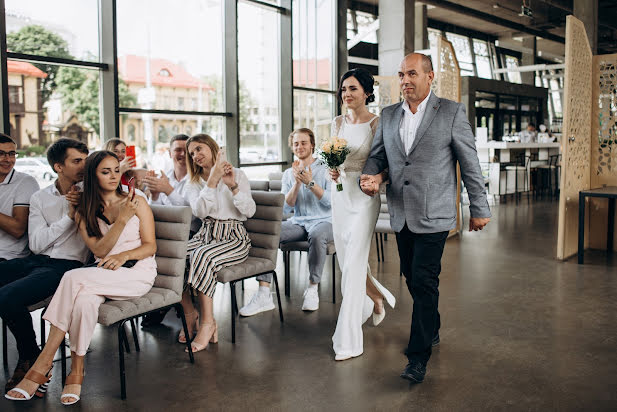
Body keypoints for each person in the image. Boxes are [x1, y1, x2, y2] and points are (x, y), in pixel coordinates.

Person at [360, 53, 491, 383]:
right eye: (401, 74)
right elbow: (377, 158)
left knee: (423, 278)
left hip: (435, 214)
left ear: (430, 77)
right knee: (411, 275)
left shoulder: (451, 112)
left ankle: (417, 357)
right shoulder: (389, 116)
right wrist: (369, 177)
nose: (405, 80)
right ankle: (431, 324)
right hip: (401, 214)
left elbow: (470, 164)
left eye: (412, 73)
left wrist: (479, 208)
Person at [6, 150, 157, 405]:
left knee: (72, 278)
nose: (113, 176)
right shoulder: (84, 209)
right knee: (84, 302)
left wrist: (124, 255)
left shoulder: (136, 200)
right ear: (92, 176)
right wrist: (121, 220)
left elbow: (150, 246)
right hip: (101, 274)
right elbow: (99, 251)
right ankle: (76, 372)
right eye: (105, 172)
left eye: (116, 170)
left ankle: (42, 363)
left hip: (136, 273)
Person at [0, 138, 89, 393]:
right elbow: (38, 244)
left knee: (5, 298)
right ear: (58, 166)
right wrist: (68, 218)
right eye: (77, 161)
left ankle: (30, 358)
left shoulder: (91, 194)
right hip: (37, 260)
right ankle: (33, 353)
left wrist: (76, 213)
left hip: (68, 266)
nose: (84, 165)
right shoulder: (40, 197)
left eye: (85, 159)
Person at [329, 68, 396, 362]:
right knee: (348, 263)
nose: (347, 94)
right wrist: (331, 170)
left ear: (367, 92)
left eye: (353, 89)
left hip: (365, 197)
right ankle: (376, 299)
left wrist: (378, 177)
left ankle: (348, 340)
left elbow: (391, 164)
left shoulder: (378, 124)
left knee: (355, 261)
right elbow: (332, 159)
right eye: (344, 89)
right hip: (340, 196)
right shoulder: (337, 122)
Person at [240, 128, 333, 315]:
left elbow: (331, 202)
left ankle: (313, 287)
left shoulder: (326, 169)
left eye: (304, 142)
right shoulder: (288, 174)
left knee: (316, 235)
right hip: (298, 221)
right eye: (296, 143)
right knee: (270, 235)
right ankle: (264, 292)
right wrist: (297, 183)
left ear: (312, 145)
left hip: (325, 220)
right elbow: (287, 208)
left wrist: (310, 183)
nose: (300, 147)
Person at [181, 134, 255, 353]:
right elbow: (201, 212)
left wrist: (232, 186)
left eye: (199, 149)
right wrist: (212, 181)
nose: (196, 155)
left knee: (202, 256)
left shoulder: (238, 174)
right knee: (174, 259)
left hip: (233, 236)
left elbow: (249, 211)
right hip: (206, 234)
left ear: (213, 148)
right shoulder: (192, 183)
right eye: (192, 153)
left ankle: (207, 322)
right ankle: (189, 313)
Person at [140, 134, 200, 326]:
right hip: (165, 233)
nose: (182, 154)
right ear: (170, 152)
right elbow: (156, 210)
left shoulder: (198, 179)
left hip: (192, 233)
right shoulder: (165, 176)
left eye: (186, 150)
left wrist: (168, 190)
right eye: (177, 150)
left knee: (166, 256)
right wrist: (156, 195)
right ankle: (162, 301)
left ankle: (169, 304)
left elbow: (192, 216)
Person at [0, 133, 39, 262]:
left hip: (8, 257)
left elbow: (18, 229)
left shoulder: (25, 182)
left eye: (11, 154)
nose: (8, 159)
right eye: (1, 154)